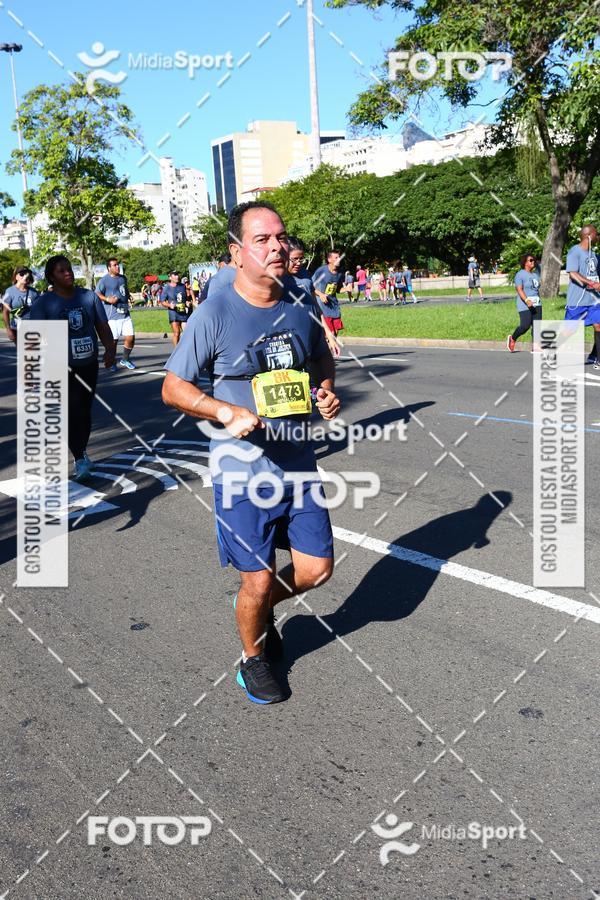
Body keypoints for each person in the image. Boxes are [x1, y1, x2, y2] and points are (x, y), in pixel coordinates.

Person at [162, 201, 340, 705]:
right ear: (237, 253)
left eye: (280, 237)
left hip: (298, 462)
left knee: (316, 570)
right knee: (257, 579)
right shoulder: (215, 313)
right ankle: (252, 657)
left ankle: (257, 609)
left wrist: (324, 389)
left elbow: (321, 357)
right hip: (241, 472)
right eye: (262, 240)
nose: (276, 247)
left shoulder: (300, 301)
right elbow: (173, 387)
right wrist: (222, 412)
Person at [27, 255, 115, 481]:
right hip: (59, 366)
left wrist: (110, 349)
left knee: (84, 411)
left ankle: (81, 450)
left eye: (68, 269)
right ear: (51, 277)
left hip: (88, 363)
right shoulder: (44, 304)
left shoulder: (88, 297)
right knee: (72, 410)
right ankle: (79, 458)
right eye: (61, 271)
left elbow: (102, 325)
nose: (68, 273)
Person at [287, 236, 339, 358]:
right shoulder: (277, 278)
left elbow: (315, 306)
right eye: (294, 259)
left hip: (309, 331)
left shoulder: (305, 275)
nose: (298, 263)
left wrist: (329, 334)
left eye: (301, 259)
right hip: (289, 336)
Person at [564, 224, 600, 368]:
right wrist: (591, 283)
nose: (598, 237)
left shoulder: (594, 255)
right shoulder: (575, 252)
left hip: (594, 300)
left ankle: (596, 358)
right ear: (589, 236)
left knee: (598, 324)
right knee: (569, 331)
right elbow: (572, 274)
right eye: (596, 234)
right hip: (577, 300)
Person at [95, 257, 136, 371]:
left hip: (125, 313)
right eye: (115, 265)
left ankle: (125, 359)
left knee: (131, 338)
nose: (117, 267)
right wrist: (108, 299)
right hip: (112, 316)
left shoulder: (123, 278)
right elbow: (97, 294)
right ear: (109, 268)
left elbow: (124, 291)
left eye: (118, 264)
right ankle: (111, 362)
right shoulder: (104, 280)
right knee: (113, 341)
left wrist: (129, 297)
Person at [312, 250, 347, 348]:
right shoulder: (321, 271)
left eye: (339, 257)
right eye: (336, 257)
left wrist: (346, 289)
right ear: (329, 260)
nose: (338, 259)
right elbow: (310, 286)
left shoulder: (340, 272)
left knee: (335, 332)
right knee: (329, 333)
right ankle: (325, 355)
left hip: (333, 305)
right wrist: (321, 295)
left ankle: (326, 352)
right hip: (322, 305)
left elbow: (338, 288)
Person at [507, 254, 542, 352]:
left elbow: (536, 289)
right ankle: (512, 338)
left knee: (537, 325)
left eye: (533, 260)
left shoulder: (535, 275)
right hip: (524, 304)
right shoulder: (520, 274)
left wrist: (537, 300)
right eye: (530, 260)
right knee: (525, 326)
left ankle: (536, 346)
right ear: (525, 262)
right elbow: (519, 289)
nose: (533, 262)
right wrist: (527, 300)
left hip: (537, 303)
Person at [2, 266, 39, 343]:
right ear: (16, 277)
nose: (25, 276)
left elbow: (40, 310)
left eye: (27, 274)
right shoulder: (9, 291)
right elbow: (5, 312)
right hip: (17, 328)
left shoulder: (34, 292)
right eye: (22, 274)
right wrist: (8, 330)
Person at [161, 270, 189, 347]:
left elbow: (186, 298)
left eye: (177, 275)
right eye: (175, 275)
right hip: (173, 313)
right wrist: (170, 305)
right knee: (177, 333)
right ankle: (176, 353)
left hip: (183, 311)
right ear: (170, 277)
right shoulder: (166, 288)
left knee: (187, 332)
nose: (177, 276)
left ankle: (186, 349)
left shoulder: (182, 286)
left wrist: (187, 302)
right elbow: (162, 301)